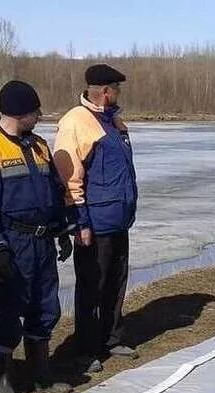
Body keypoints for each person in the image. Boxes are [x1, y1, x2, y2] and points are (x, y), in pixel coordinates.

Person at [0, 80, 73, 393]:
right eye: (34, 111)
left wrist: (62, 230)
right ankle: (3, 379)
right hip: (11, 244)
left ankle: (41, 372)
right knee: (7, 311)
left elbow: (54, 192)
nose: (39, 116)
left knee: (45, 308)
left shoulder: (39, 145)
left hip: (41, 243)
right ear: (17, 112)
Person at [54, 64, 140, 372]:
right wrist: (81, 221)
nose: (119, 93)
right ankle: (85, 349)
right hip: (95, 222)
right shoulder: (76, 122)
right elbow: (69, 177)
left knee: (116, 282)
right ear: (104, 91)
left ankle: (111, 337)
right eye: (116, 88)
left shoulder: (114, 121)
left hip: (118, 218)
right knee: (92, 285)